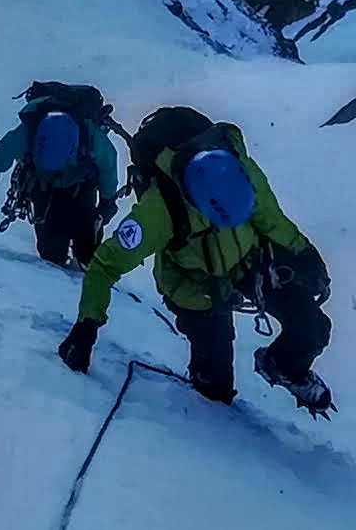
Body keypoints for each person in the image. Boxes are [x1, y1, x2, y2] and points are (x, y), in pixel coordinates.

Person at [54, 104, 333, 414]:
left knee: (312, 327)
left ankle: (283, 366)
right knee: (214, 390)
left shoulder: (242, 172)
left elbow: (271, 221)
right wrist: (86, 325)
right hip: (193, 282)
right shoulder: (160, 210)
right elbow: (105, 264)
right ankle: (208, 401)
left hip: (249, 262)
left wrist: (304, 254)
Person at [0, 79, 122, 268]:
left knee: (62, 254)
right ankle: (82, 263)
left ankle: (78, 260)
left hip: (48, 188)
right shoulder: (87, 134)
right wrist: (107, 200)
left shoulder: (29, 132)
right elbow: (108, 163)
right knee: (72, 252)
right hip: (75, 187)